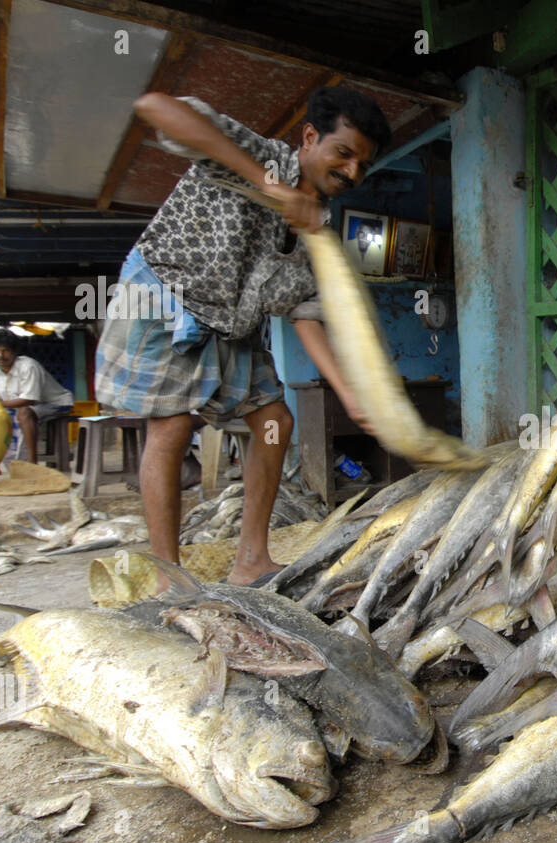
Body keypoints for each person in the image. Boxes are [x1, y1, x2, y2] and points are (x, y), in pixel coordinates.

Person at [96, 88, 384, 586]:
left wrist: (348, 392)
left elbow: (305, 314)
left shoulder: (320, 226)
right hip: (167, 297)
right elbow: (154, 107)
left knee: (275, 422)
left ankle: (251, 558)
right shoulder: (257, 156)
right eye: (344, 153)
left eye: (363, 164)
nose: (352, 172)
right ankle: (169, 576)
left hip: (231, 325)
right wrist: (274, 188)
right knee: (172, 426)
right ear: (310, 137)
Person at [0, 328, 74, 464]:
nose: (0, 355)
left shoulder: (28, 366)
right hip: (19, 406)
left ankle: (32, 462)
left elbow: (28, 400)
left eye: (5, 350)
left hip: (56, 403)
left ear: (14, 351)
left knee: (24, 413)